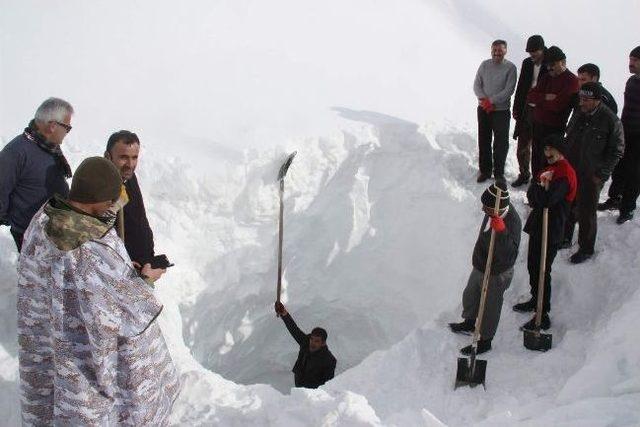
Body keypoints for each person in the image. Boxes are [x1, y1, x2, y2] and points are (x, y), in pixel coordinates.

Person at [17, 157, 180, 425]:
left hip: (49, 353)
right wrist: (145, 280)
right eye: (112, 202)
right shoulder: (91, 249)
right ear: (100, 201)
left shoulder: (43, 219)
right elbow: (124, 314)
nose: (113, 209)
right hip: (85, 371)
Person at [449, 183, 521, 355]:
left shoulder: (512, 222)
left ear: (496, 208)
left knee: (490, 306)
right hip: (482, 264)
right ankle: (470, 322)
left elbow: (510, 254)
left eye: (486, 207)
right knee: (470, 294)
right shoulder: (493, 209)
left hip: (498, 271)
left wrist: (502, 231)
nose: (483, 209)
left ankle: (486, 340)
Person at [513, 135, 577, 331]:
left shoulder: (565, 173)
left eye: (552, 150)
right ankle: (535, 299)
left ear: (560, 151)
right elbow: (533, 196)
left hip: (552, 227)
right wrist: (537, 189)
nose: (547, 153)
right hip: (539, 224)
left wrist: (538, 191)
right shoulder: (548, 170)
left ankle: (543, 312)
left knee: (542, 269)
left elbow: (549, 200)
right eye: (546, 149)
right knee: (533, 265)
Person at [0, 97, 73, 251]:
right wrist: (15, 223)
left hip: (53, 232)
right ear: (53, 126)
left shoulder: (48, 147)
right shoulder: (16, 152)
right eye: (67, 127)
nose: (67, 132)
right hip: (30, 237)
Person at [563, 82, 624, 263]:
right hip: (572, 169)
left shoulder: (611, 120)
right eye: (581, 98)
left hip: (592, 175)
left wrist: (601, 175)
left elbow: (617, 151)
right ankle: (566, 237)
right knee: (568, 203)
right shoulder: (579, 113)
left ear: (597, 100)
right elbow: (569, 136)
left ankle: (586, 248)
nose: (581, 102)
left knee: (586, 211)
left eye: (586, 99)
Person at [105, 130, 158, 268]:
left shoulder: (128, 177)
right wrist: (121, 263)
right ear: (108, 156)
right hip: (119, 270)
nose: (130, 164)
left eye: (134, 157)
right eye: (123, 157)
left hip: (140, 265)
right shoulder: (101, 185)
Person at [598, 46, 640, 223]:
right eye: (630, 59)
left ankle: (628, 208)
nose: (631, 64)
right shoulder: (631, 82)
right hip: (626, 130)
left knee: (635, 173)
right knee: (619, 167)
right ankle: (615, 198)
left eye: (635, 60)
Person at [527, 46, 580, 178]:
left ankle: (547, 190)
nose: (549, 68)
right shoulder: (546, 77)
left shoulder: (571, 81)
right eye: (547, 65)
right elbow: (530, 96)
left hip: (554, 128)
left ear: (563, 62)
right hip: (538, 124)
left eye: (552, 65)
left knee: (549, 161)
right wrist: (545, 96)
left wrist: (540, 101)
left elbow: (558, 105)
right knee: (536, 158)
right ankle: (536, 184)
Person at [473, 39, 518, 183]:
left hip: (501, 111)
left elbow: (509, 90)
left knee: (501, 143)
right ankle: (485, 171)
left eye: (500, 50)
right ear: (491, 50)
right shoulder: (484, 65)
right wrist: (484, 100)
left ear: (505, 51)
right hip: (484, 109)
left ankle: (499, 173)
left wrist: (491, 101)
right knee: (484, 139)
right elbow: (476, 84)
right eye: (494, 50)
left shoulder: (510, 68)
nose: (497, 52)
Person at [512, 35, 548, 188]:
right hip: (526, 108)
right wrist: (516, 108)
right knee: (523, 145)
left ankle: (538, 179)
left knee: (540, 147)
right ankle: (524, 173)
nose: (532, 55)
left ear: (542, 49)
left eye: (535, 51)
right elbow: (521, 87)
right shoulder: (527, 63)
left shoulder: (550, 63)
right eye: (529, 52)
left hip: (542, 111)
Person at [274, 301, 336, 388]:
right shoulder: (306, 341)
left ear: (323, 343)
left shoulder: (329, 360)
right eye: (312, 339)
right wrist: (284, 313)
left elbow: (328, 384)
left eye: (317, 341)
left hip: (312, 393)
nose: (312, 343)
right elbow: (294, 329)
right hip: (299, 384)